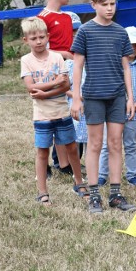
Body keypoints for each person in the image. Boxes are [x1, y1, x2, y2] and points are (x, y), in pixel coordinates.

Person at [70, 0, 136, 214]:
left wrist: (129, 97)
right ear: (94, 4)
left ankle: (116, 194)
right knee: (95, 144)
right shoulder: (86, 31)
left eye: (113, 4)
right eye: (105, 4)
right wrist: (76, 97)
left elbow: (126, 67)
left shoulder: (120, 32)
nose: (110, 8)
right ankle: (94, 194)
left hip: (117, 96)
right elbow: (77, 66)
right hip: (94, 96)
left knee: (116, 143)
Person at [19, 17, 87, 205]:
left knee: (72, 148)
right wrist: (54, 82)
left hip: (62, 112)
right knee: (42, 152)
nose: (39, 41)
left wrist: (46, 90)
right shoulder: (26, 61)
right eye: (34, 38)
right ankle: (42, 191)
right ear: (26, 40)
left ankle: (79, 182)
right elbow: (32, 88)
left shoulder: (57, 57)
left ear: (48, 36)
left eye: (42, 37)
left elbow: (65, 85)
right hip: (42, 117)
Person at [98, 26, 136, 187]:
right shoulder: (113, 64)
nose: (133, 48)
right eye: (130, 44)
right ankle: (102, 175)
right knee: (107, 144)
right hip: (112, 111)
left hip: (132, 114)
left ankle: (132, 174)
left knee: (130, 144)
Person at [38, 0, 75, 176]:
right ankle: (43, 162)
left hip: (68, 70)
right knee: (48, 118)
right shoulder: (42, 19)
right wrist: (64, 54)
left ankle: (64, 163)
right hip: (51, 73)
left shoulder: (67, 17)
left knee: (63, 117)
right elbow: (40, 50)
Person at [64, 12, 87, 162]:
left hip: (88, 103)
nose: (74, 34)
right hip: (72, 102)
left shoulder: (86, 53)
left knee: (87, 134)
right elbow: (63, 86)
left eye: (76, 30)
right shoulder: (65, 61)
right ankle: (70, 163)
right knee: (72, 134)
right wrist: (75, 95)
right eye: (70, 30)